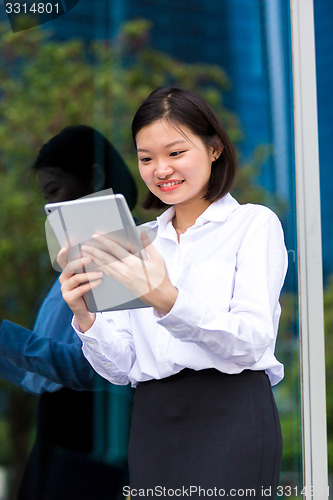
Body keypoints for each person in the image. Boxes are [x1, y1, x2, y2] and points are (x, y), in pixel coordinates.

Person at [58, 88, 288, 499]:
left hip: (231, 413)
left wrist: (166, 297)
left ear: (214, 148)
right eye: (146, 158)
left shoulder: (253, 224)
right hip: (153, 419)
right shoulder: (135, 241)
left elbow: (252, 341)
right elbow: (123, 366)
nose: (160, 169)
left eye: (176, 152)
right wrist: (84, 316)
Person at [0, 125, 137, 499]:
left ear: (93, 177)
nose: (52, 211)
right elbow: (40, 376)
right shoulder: (76, 264)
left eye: (55, 192)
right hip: (59, 432)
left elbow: (88, 368)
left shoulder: (120, 257)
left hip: (86, 435)